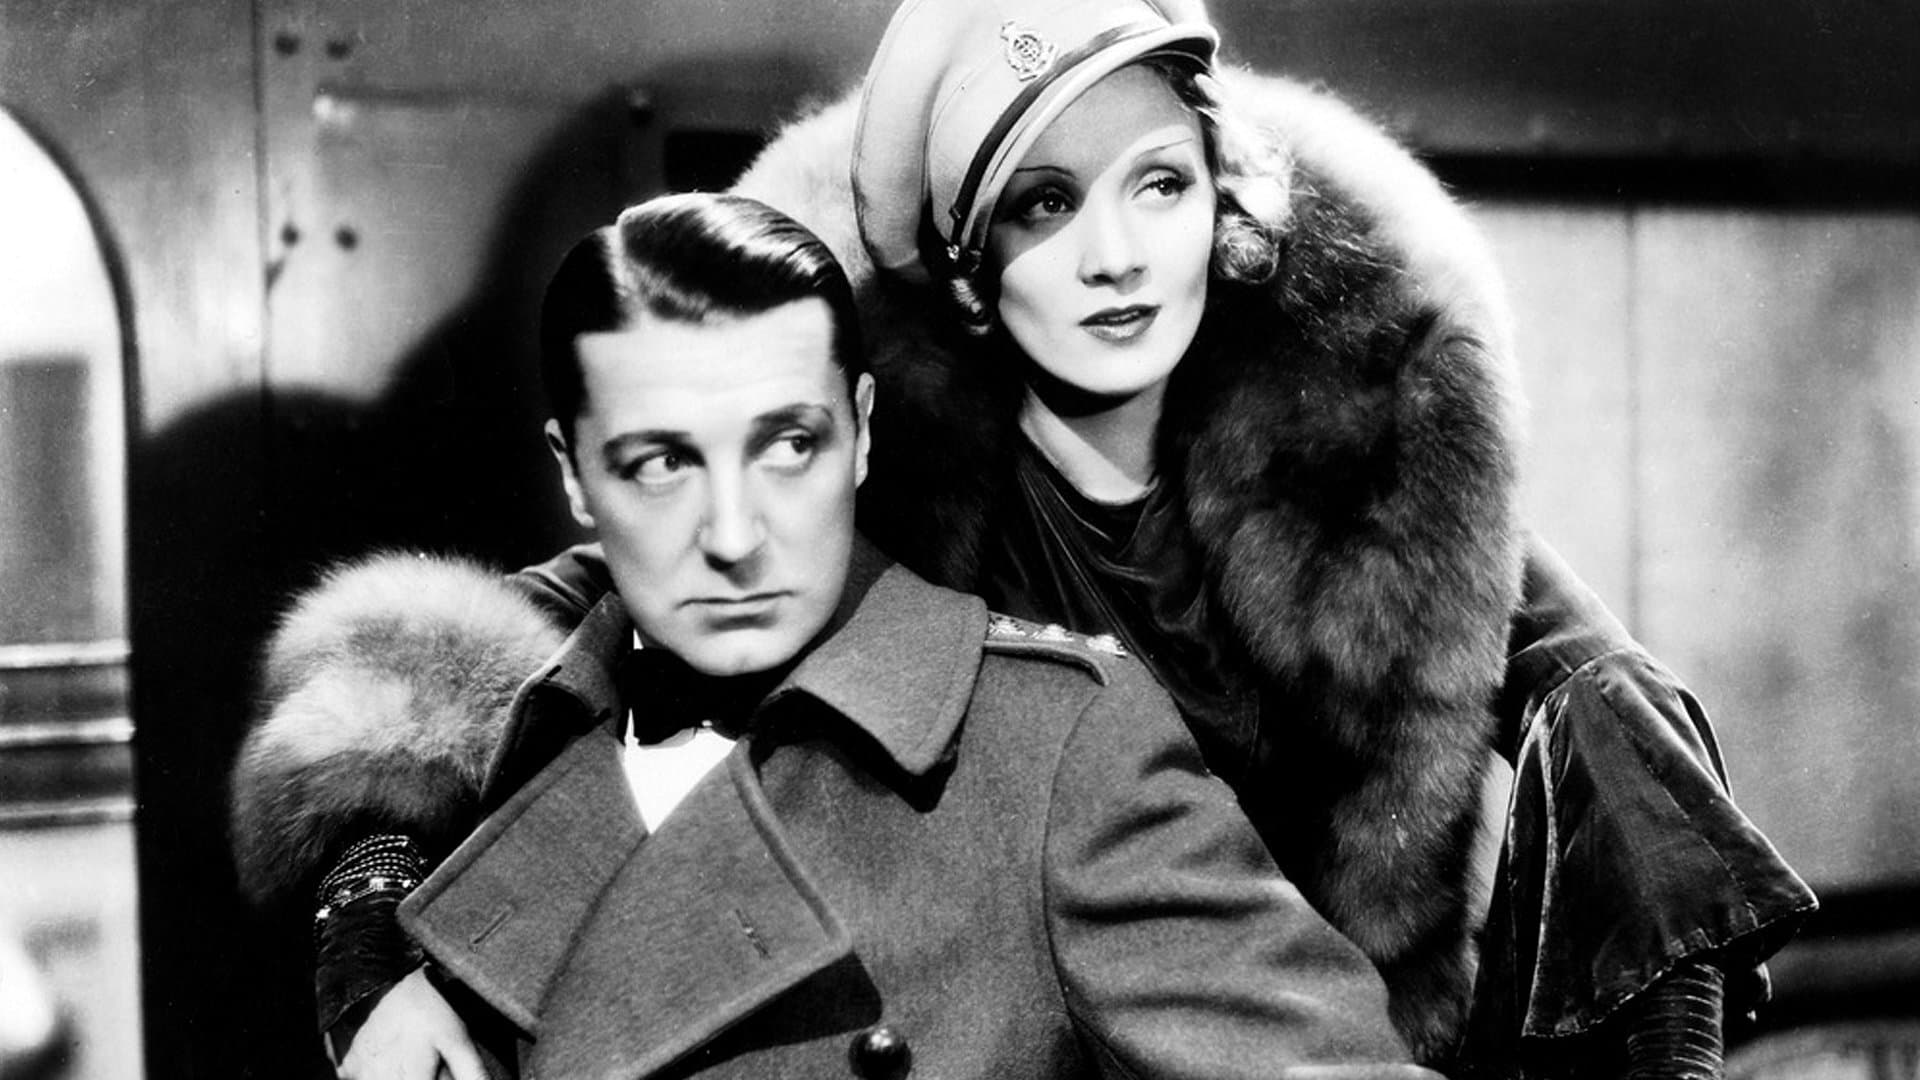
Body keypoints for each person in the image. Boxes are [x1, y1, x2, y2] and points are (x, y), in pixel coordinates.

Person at [235, 0, 1816, 1075]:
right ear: (971, 268)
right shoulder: (879, 464)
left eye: (1158, 187)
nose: (1119, 257)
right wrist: (370, 916)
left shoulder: (1367, 458)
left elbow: (1616, 727)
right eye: (1047, 208)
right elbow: (497, 652)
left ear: (1223, 204)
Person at [231, 191, 1442, 1079]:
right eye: (659, 465)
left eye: (788, 445)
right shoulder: (509, 739)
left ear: (861, 432)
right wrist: (369, 917)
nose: (735, 536)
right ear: (574, 477)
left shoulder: (1050, 753)